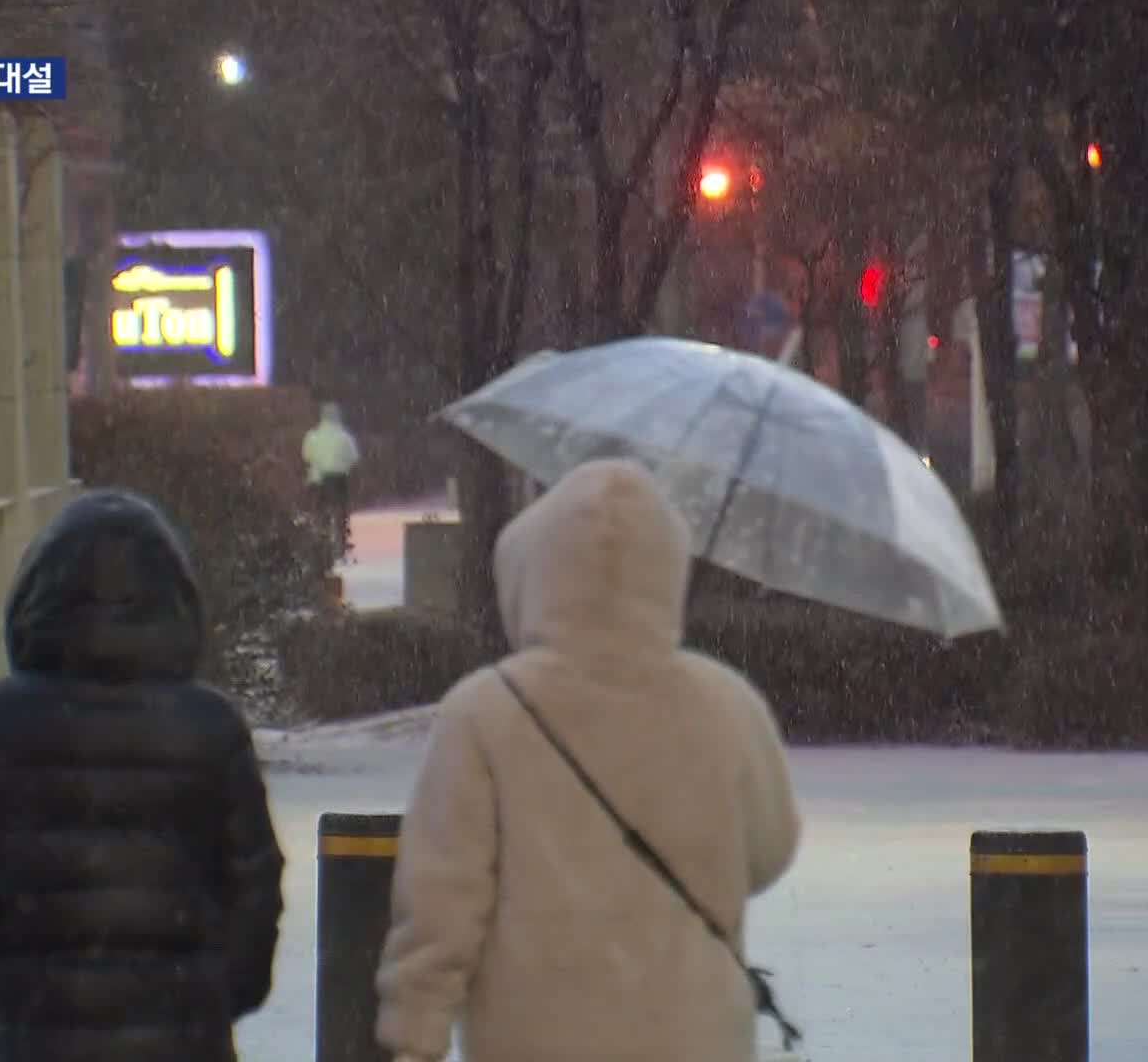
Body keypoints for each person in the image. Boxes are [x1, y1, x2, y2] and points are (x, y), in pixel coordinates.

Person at [374, 458, 802, 1062]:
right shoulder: (727, 705)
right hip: (692, 1036)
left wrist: (413, 1035)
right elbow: (768, 853)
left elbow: (440, 907)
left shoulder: (485, 713)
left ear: (537, 572)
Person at [0, 490, 286, 1061]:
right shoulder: (210, 726)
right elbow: (252, 879)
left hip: (40, 1031)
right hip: (181, 1030)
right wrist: (223, 991)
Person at [303, 401, 361, 556]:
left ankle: (320, 542)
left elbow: (306, 456)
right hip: (338, 479)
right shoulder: (345, 437)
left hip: (317, 479)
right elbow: (354, 458)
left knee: (319, 512)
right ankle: (340, 545)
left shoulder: (312, 436)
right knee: (340, 512)